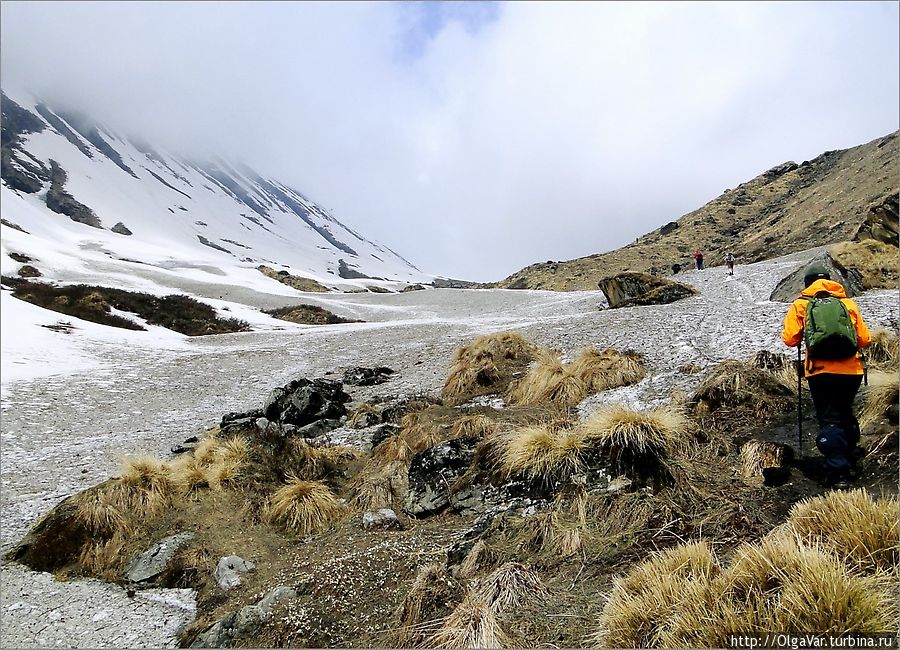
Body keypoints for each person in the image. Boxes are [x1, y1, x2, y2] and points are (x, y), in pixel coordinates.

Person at [781, 262, 871, 489]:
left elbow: (790, 339)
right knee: (845, 412)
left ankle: (838, 471)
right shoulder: (847, 303)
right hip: (852, 370)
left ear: (807, 284)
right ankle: (851, 454)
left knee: (829, 418)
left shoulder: (801, 304)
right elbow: (865, 340)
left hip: (820, 372)